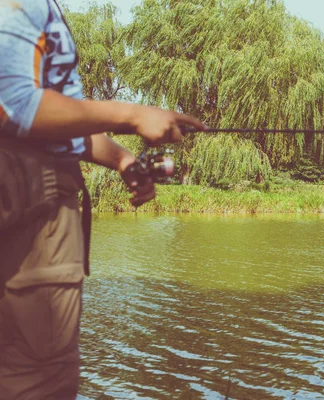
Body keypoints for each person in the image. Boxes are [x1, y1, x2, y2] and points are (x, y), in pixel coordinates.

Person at [0, 0, 206, 398]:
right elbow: (13, 106)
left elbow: (50, 120)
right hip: (34, 216)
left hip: (28, 205)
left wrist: (123, 159)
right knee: (40, 380)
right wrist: (131, 115)